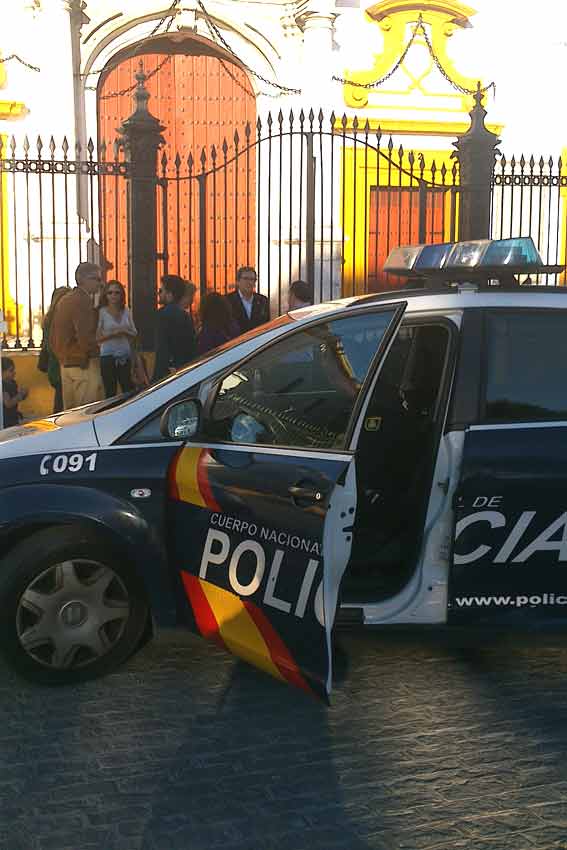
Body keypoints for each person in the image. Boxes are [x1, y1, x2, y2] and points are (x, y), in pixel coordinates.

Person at [49, 262, 104, 409]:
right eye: (97, 279)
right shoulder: (82, 300)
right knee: (86, 413)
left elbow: (53, 335)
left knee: (71, 415)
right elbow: (85, 337)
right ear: (83, 279)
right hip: (83, 364)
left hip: (67, 363)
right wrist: (95, 351)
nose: (100, 283)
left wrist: (62, 356)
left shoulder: (65, 299)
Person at [96, 280, 137, 398]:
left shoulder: (126, 310)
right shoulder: (101, 312)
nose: (113, 295)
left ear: (121, 295)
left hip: (125, 356)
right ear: (106, 295)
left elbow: (134, 333)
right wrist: (113, 334)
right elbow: (97, 337)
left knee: (128, 390)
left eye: (117, 293)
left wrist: (124, 332)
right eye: (110, 293)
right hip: (107, 356)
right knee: (110, 392)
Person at [153, 274, 197, 380]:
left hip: (168, 373)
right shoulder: (186, 316)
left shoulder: (162, 315)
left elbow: (162, 349)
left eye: (161, 291)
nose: (158, 294)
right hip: (184, 370)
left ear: (170, 294)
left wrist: (156, 377)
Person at [40, 286, 70, 413]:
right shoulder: (52, 320)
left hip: (58, 367)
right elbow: (51, 346)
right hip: (58, 367)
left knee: (62, 400)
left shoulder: (51, 319)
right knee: (61, 402)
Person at [225, 266, 269, 335]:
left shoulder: (263, 300)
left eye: (252, 279)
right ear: (237, 281)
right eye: (246, 279)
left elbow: (266, 325)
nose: (249, 282)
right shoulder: (227, 300)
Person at [2, 357, 27, 428]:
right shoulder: (2, 385)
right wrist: (20, 395)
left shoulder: (13, 383)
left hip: (13, 417)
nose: (14, 372)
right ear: (2, 372)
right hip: (5, 420)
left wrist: (23, 395)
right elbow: (8, 403)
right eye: (11, 370)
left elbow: (15, 398)